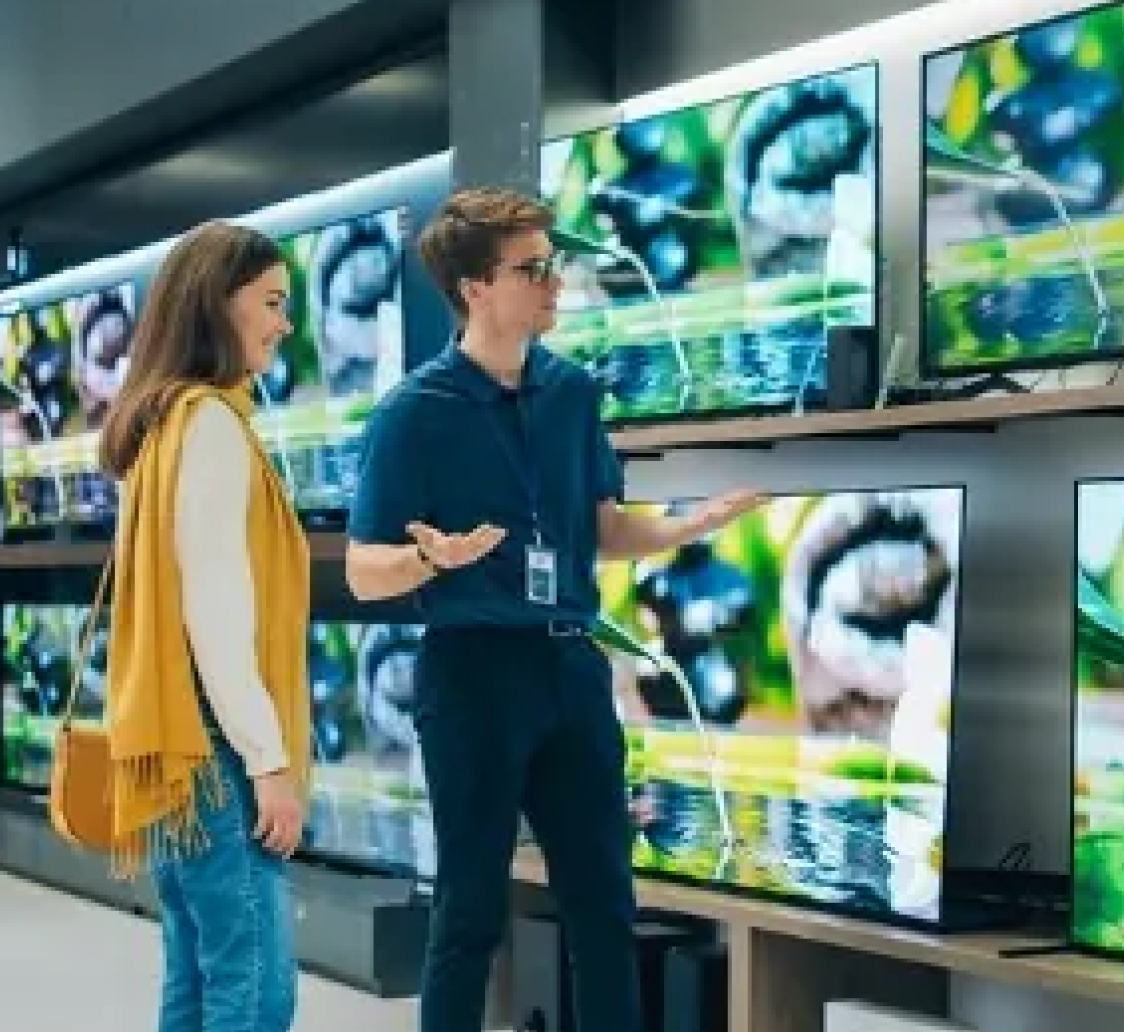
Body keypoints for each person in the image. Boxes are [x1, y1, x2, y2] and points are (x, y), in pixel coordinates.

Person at [345, 186, 760, 1032]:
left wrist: (683, 527)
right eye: (531, 269)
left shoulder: (572, 394)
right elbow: (362, 572)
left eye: (552, 264)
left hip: (571, 668)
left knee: (605, 906)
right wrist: (429, 555)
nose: (554, 283)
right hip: (472, 676)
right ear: (474, 289)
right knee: (467, 914)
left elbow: (599, 527)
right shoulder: (411, 416)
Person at [98, 221, 312, 1032]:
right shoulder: (214, 424)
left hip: (170, 745)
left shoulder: (161, 422)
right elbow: (217, 613)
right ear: (213, 308)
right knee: (256, 986)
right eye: (270, 301)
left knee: (199, 972)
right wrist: (268, 762)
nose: (283, 322)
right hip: (214, 743)